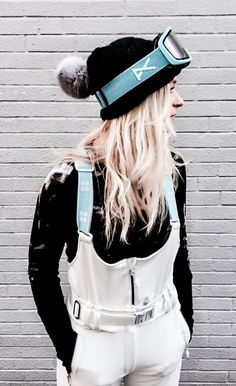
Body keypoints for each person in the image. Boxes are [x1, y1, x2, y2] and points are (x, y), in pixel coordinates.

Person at [28, 27, 194, 386]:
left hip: (162, 337)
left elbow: (180, 254)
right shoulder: (68, 180)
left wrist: (184, 326)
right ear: (139, 100)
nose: (179, 101)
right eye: (170, 89)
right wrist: (68, 349)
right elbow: (40, 272)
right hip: (93, 345)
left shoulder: (172, 170)